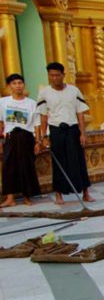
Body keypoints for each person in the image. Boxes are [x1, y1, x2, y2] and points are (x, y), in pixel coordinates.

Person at [36, 62, 94, 204]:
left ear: (63, 75)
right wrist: (43, 136)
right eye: (51, 75)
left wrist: (83, 133)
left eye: (57, 75)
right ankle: (58, 195)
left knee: (79, 161)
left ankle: (86, 193)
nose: (55, 78)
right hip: (56, 130)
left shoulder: (74, 91)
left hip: (72, 129)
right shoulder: (44, 93)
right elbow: (43, 116)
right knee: (59, 163)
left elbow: (80, 112)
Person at [0, 74, 42, 207]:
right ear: (9, 86)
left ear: (23, 85)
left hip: (26, 137)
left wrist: (38, 141)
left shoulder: (31, 103)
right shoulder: (3, 102)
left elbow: (36, 123)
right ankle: (10, 198)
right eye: (14, 83)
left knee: (26, 166)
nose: (18, 86)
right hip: (10, 137)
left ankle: (27, 197)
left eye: (20, 83)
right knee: (8, 167)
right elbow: (1, 122)